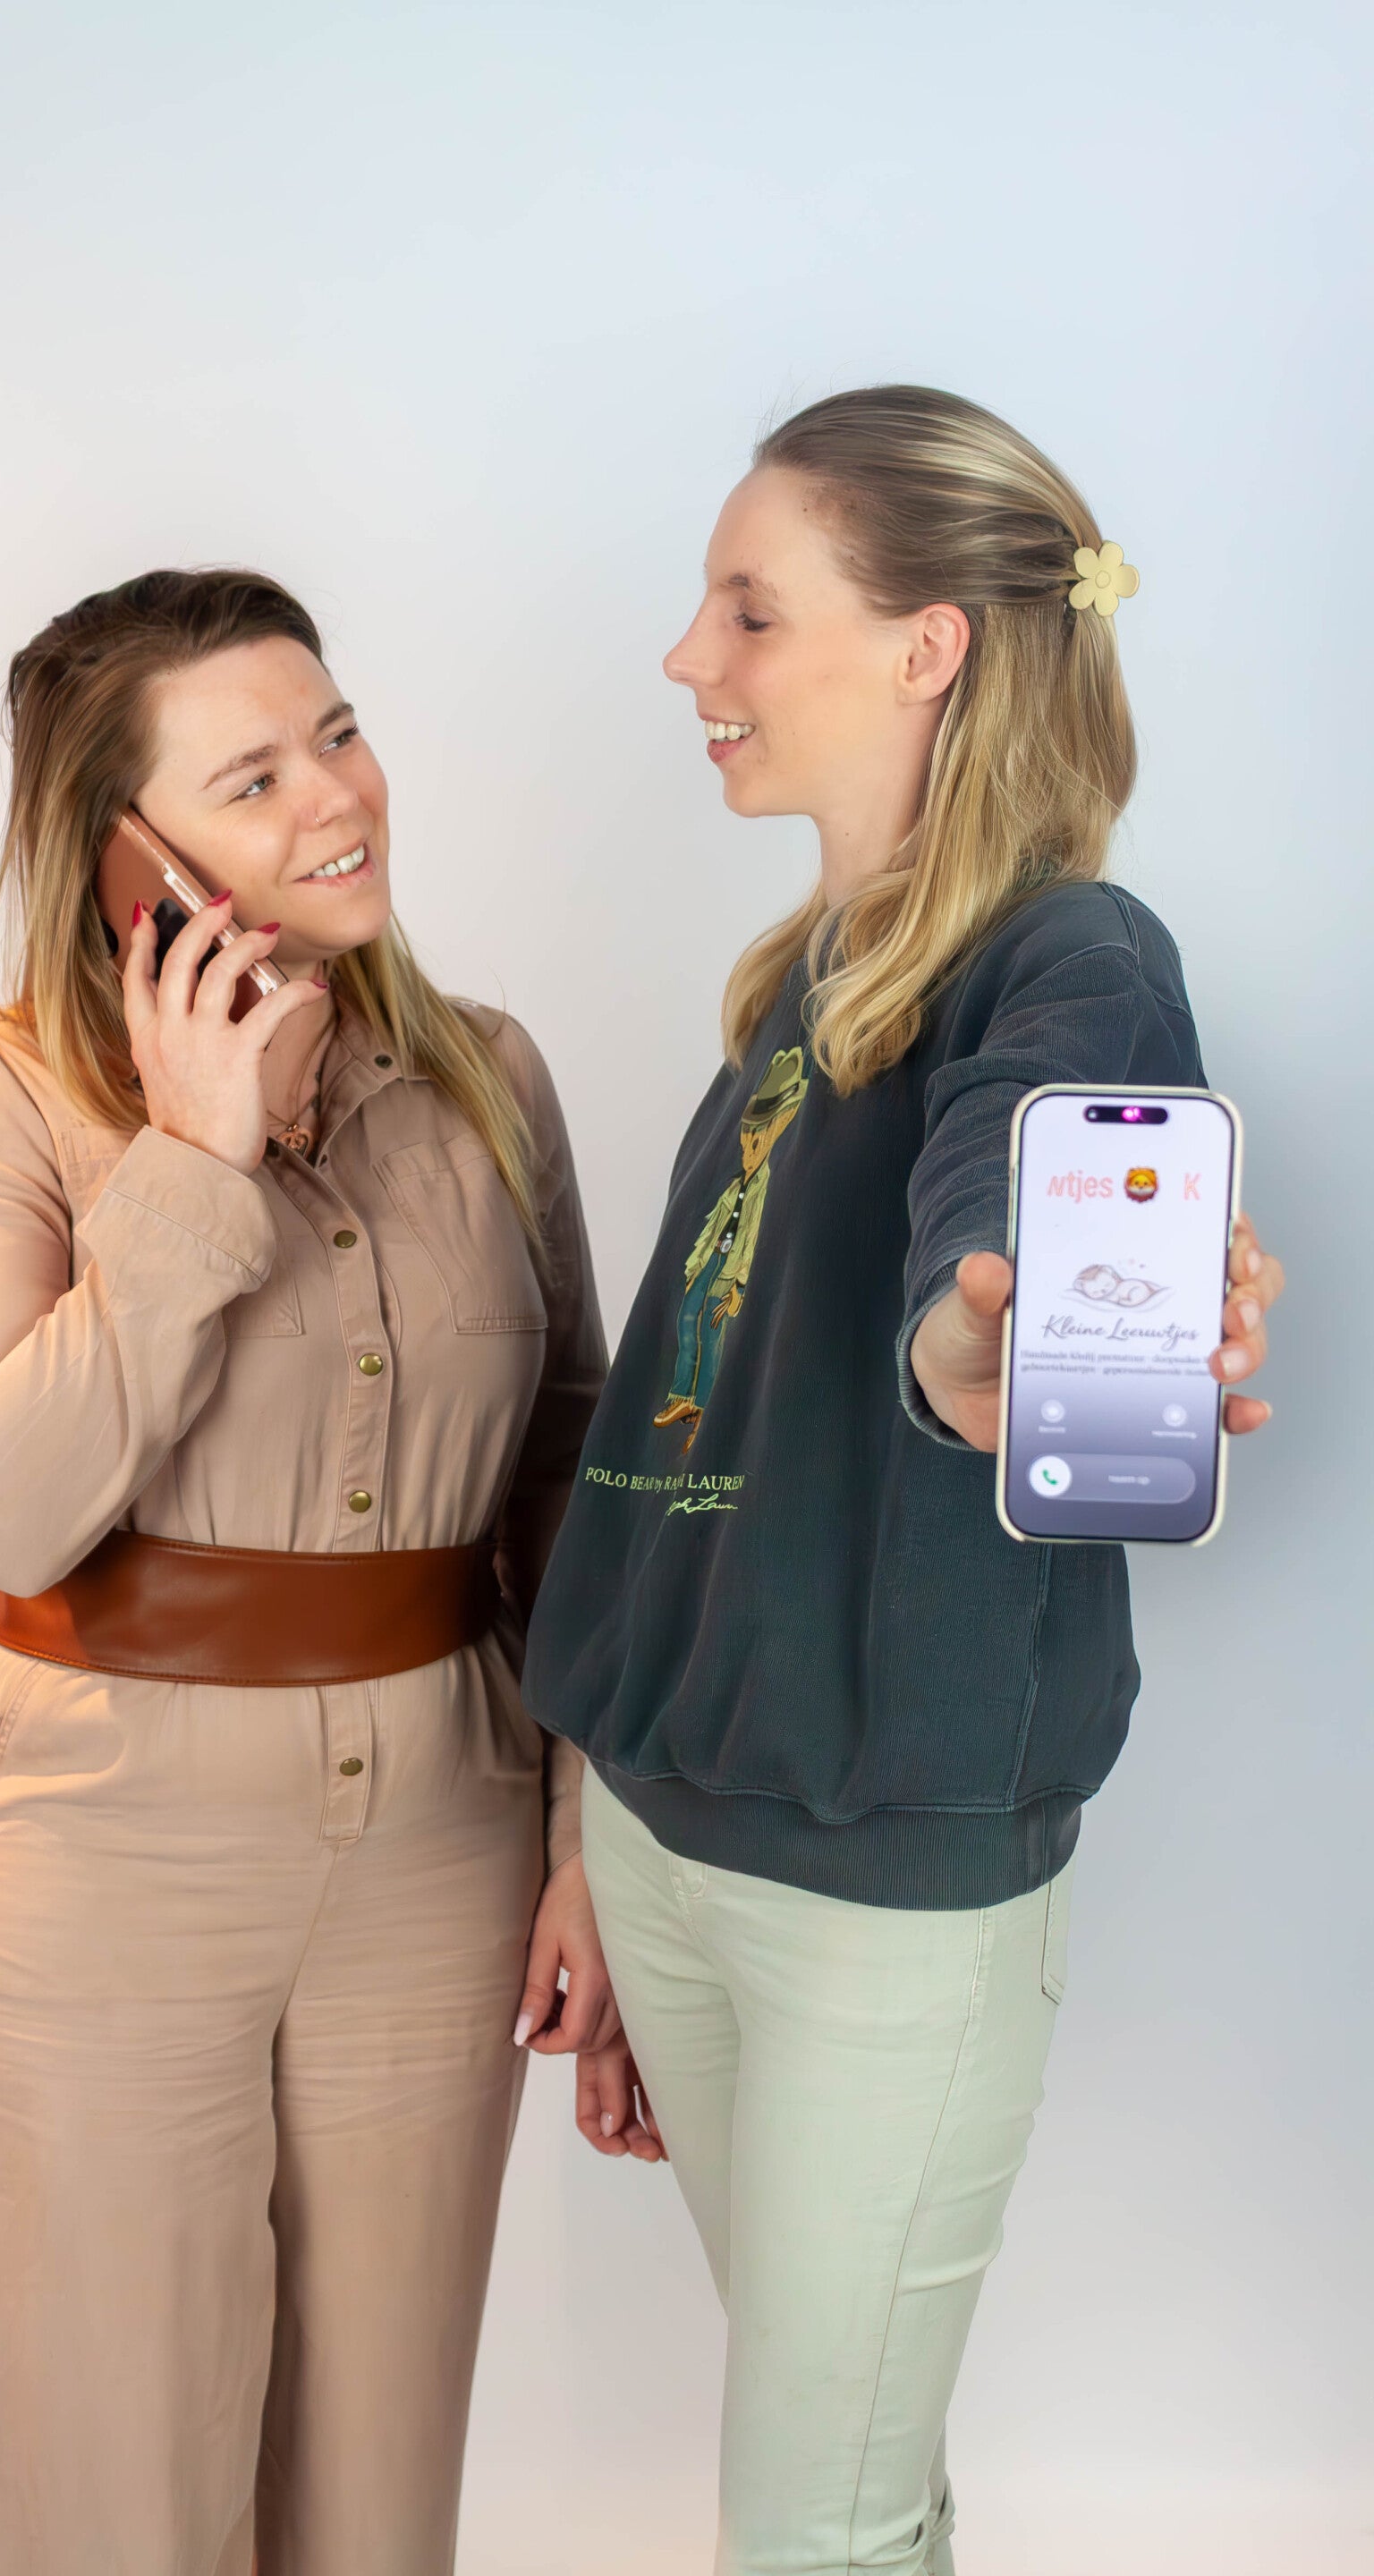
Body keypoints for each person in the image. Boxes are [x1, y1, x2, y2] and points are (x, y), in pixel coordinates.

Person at [523, 387, 1284, 2575]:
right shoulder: (802, 984)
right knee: (849, 2497)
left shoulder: (1067, 963)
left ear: (928, 648)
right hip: (673, 1846)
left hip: (875, 1909)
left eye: (750, 610)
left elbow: (997, 1242)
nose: (691, 657)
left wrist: (988, 1352)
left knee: (813, 2526)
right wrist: (596, 1828)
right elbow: (672, 1431)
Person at [0, 568, 612, 2576]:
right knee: (100, 2493)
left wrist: (586, 1839)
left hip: (442, 1858)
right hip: (110, 1863)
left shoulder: (488, 1078)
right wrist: (192, 1160)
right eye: (256, 778)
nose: (338, 798)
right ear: (127, 852)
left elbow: (572, 1481)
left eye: (339, 735)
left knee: (371, 2502)